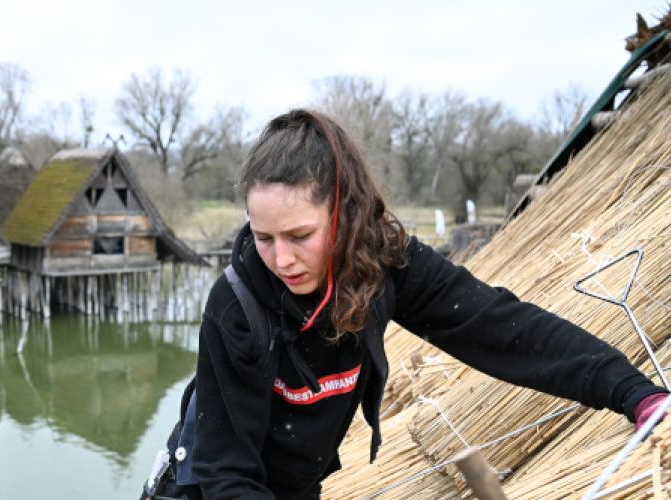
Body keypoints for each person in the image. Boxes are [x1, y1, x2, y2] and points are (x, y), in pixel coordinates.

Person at [142, 108, 669, 500]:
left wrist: (631, 391)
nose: (281, 258)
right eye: (264, 237)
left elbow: (500, 326)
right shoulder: (234, 304)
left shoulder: (387, 263)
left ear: (344, 215)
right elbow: (227, 470)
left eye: (299, 234)